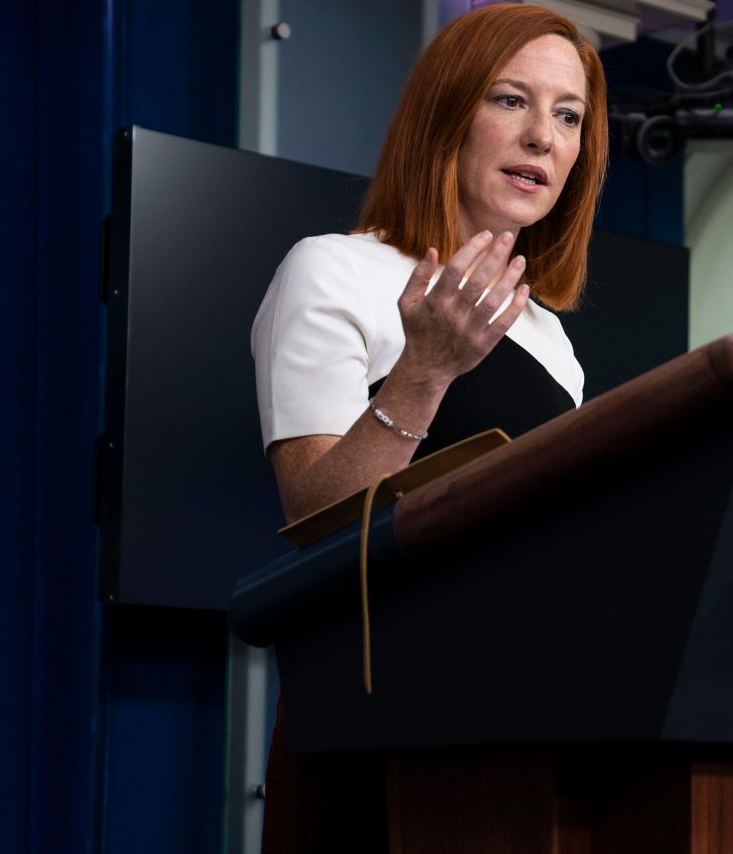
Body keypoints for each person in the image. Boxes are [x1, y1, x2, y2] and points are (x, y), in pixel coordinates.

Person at [249, 4, 608, 851]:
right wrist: (426, 373)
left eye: (568, 117)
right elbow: (314, 517)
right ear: (446, 113)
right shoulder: (333, 271)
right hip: (379, 709)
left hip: (523, 712)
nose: (543, 138)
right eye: (511, 100)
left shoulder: (550, 340)